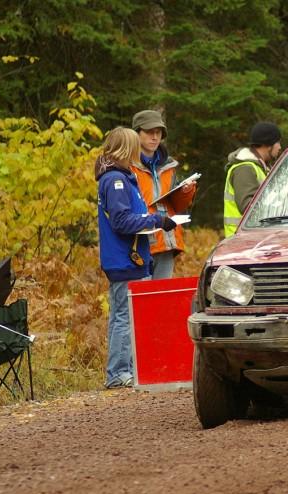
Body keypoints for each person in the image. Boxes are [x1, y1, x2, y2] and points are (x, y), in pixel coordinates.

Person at [94, 127, 177, 388]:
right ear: (126, 148)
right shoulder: (115, 180)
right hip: (124, 259)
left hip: (133, 257)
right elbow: (121, 220)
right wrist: (156, 220)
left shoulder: (122, 177)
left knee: (127, 315)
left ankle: (127, 369)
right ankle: (118, 373)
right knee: (123, 316)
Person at [130, 110, 197, 279]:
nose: (155, 137)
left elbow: (176, 205)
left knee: (160, 299)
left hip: (166, 240)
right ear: (136, 133)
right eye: (149, 132)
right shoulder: (126, 166)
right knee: (141, 300)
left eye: (158, 132)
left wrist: (186, 192)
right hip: (139, 244)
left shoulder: (169, 166)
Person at [223, 121, 282, 237]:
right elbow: (248, 208)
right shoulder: (245, 169)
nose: (280, 147)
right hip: (242, 240)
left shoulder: (259, 167)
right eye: (278, 142)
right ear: (268, 144)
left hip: (252, 237)